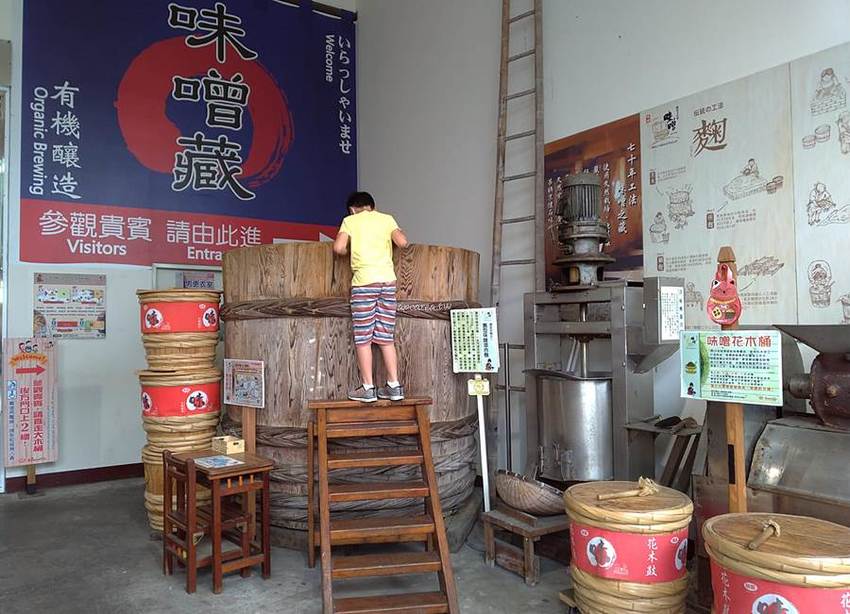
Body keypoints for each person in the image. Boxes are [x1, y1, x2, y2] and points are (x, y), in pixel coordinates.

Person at [333, 191, 409, 403]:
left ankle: (368, 388)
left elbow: (338, 247)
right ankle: (394, 386)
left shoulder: (350, 221)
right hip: (387, 282)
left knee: (363, 337)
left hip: (364, 283)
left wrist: (348, 251)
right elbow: (403, 242)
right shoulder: (386, 219)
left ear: (352, 209)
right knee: (386, 336)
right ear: (372, 207)